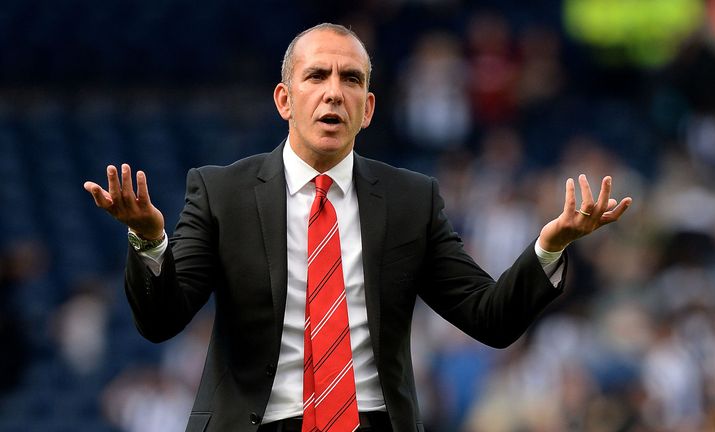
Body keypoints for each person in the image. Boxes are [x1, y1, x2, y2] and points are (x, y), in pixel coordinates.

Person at [83, 23, 632, 432]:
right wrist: (150, 240)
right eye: (316, 75)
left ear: (367, 109)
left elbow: (489, 318)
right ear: (284, 99)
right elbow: (161, 321)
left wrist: (549, 246)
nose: (332, 91)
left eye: (350, 79)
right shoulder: (221, 191)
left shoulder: (412, 199)